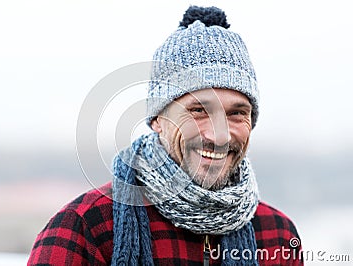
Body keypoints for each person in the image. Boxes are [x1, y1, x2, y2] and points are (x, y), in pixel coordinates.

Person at [28, 6, 303, 265]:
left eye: (236, 113)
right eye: (198, 110)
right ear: (158, 120)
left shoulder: (276, 233)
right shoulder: (87, 228)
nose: (219, 135)